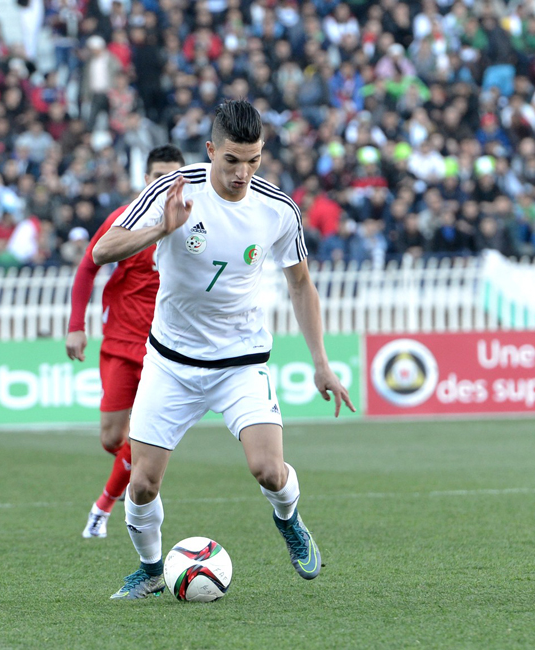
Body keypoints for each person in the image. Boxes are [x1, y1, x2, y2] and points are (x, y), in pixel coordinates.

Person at [93, 100, 354, 600]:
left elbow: (301, 285)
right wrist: (160, 231)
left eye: (254, 160)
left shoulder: (278, 209)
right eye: (232, 160)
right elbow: (102, 251)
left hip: (241, 362)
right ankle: (150, 568)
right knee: (142, 483)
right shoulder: (174, 190)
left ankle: (290, 521)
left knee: (269, 471)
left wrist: (321, 363)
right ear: (211, 150)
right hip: (171, 362)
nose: (243, 172)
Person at [67, 145, 186, 539]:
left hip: (164, 350)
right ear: (147, 179)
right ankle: (130, 471)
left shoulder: (197, 223)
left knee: (141, 440)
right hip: (119, 342)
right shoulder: (125, 220)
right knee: (112, 438)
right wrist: (76, 324)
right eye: (158, 177)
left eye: (174, 177)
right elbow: (88, 266)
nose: (166, 185)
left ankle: (102, 508)